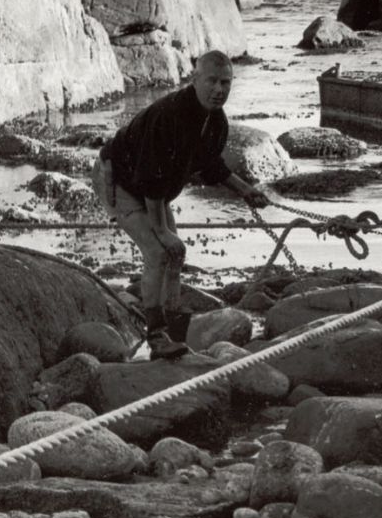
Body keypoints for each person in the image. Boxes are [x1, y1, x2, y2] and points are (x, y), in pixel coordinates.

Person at [92, 51, 269, 359]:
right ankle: (157, 336)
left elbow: (210, 166)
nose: (219, 90)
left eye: (225, 82)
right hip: (119, 179)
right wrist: (161, 230)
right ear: (194, 79)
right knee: (159, 251)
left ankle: (174, 328)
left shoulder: (216, 122)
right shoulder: (169, 115)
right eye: (212, 81)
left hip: (152, 188)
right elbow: (150, 176)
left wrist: (246, 191)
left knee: (176, 252)